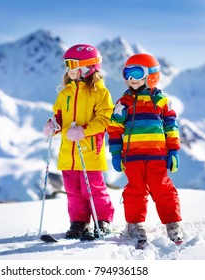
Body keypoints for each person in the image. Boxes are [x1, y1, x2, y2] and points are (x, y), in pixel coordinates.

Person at [107, 53, 183, 249]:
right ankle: (134, 224)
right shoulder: (123, 103)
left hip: (158, 155)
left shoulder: (161, 100)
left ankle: (173, 223)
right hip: (132, 157)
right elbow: (114, 128)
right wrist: (116, 153)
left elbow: (171, 127)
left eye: (136, 73)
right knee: (135, 191)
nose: (130, 79)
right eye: (127, 73)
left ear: (151, 75)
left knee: (162, 189)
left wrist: (173, 151)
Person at [43, 44, 115, 239]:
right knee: (73, 192)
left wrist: (84, 131)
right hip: (68, 153)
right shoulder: (65, 93)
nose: (69, 69)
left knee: (93, 190)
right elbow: (59, 116)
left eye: (73, 64)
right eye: (67, 64)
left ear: (88, 66)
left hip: (89, 151)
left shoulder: (100, 93)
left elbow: (104, 120)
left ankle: (103, 221)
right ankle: (79, 222)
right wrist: (53, 125)